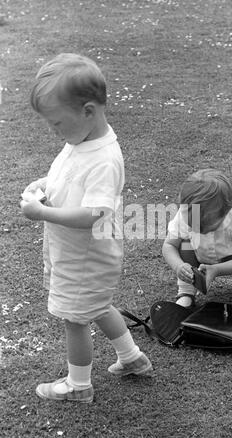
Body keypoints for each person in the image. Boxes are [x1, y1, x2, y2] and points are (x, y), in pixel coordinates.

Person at [20, 53, 152, 403]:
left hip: (84, 259)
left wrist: (42, 213)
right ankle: (132, 357)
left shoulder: (104, 159)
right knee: (98, 306)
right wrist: (47, 184)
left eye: (57, 124)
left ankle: (79, 386)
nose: (55, 131)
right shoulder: (84, 142)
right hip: (83, 257)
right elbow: (71, 172)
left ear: (88, 111)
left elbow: (93, 213)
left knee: (74, 319)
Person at [162, 168, 232, 309]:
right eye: (193, 225)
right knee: (182, 244)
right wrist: (179, 266)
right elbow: (169, 245)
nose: (199, 230)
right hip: (198, 253)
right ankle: (186, 291)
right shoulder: (186, 212)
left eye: (205, 226)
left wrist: (216, 269)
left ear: (225, 213)